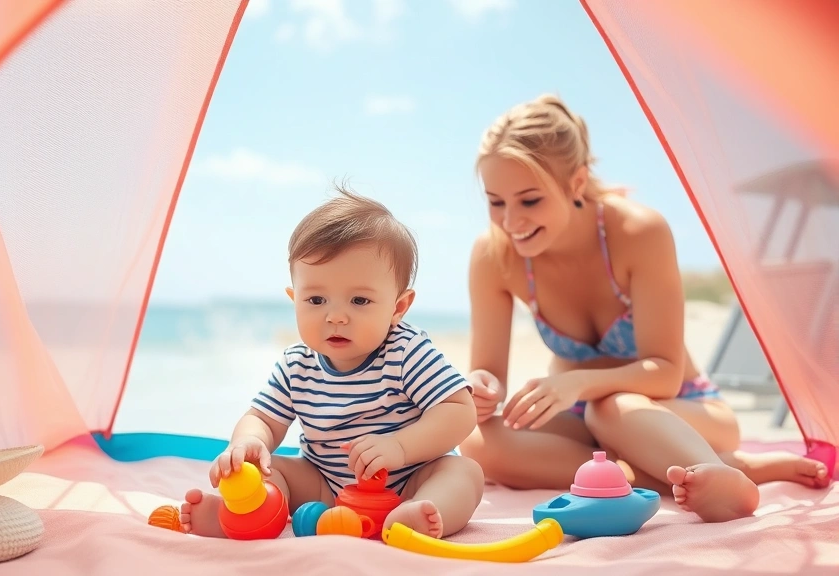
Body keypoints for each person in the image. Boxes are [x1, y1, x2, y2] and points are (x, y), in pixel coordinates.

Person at [457, 93, 831, 524]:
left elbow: (666, 371)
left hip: (680, 408)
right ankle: (728, 468)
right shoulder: (494, 256)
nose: (510, 221)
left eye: (529, 200)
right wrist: (481, 391)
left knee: (610, 406)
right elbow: (488, 376)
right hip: (582, 415)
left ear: (576, 183)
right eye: (495, 201)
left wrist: (579, 384)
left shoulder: (638, 231)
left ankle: (714, 469)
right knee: (479, 442)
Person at [180, 186, 484, 538]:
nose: (335, 316)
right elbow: (263, 417)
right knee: (266, 469)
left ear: (398, 308)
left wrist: (400, 447)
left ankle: (415, 519)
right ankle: (246, 513)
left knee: (463, 473)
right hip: (325, 488)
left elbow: (459, 410)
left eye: (359, 300)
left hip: (409, 481)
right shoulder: (297, 365)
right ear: (294, 299)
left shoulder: (406, 351)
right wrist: (248, 443)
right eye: (316, 299)